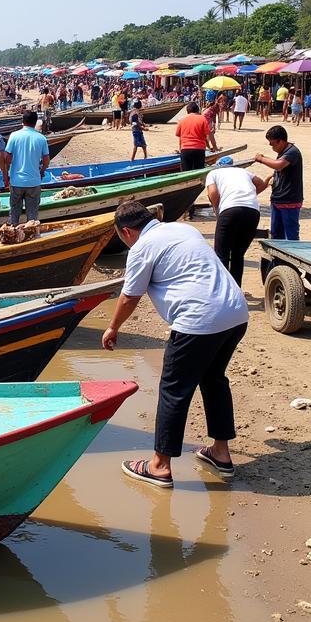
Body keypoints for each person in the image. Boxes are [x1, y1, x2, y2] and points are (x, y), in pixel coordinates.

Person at [101, 201, 249, 487]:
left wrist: (112, 327)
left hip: (199, 321)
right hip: (235, 313)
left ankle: (159, 466)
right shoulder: (183, 229)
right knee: (214, 379)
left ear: (128, 232)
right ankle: (220, 453)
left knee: (174, 391)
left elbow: (130, 295)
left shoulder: (142, 247)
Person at [205, 162, 268, 285]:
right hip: (252, 211)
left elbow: (213, 193)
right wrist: (248, 196)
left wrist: (215, 207)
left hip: (230, 210)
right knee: (238, 254)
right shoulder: (243, 172)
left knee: (221, 254)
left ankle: (223, 289)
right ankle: (236, 289)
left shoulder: (213, 173)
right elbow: (260, 183)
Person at [252, 125, 303, 240]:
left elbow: (279, 165)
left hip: (289, 200)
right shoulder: (284, 151)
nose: (271, 146)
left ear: (280, 141)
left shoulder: (292, 152)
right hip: (278, 199)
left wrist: (261, 159)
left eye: (272, 143)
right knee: (276, 234)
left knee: (291, 235)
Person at [5, 110, 50, 225]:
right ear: (35, 123)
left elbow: (7, 158)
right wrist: (42, 171)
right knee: (33, 217)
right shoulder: (41, 138)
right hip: (34, 182)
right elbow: (46, 161)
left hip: (16, 181)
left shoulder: (14, 136)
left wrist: (7, 174)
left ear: (22, 121)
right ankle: (33, 238)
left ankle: (12, 236)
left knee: (14, 214)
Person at [175, 102, 215, 171]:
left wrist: (180, 150)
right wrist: (210, 147)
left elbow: (180, 136)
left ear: (187, 111)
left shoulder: (182, 120)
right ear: (198, 110)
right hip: (199, 149)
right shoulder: (202, 119)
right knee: (198, 172)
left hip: (185, 149)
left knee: (185, 174)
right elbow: (206, 136)